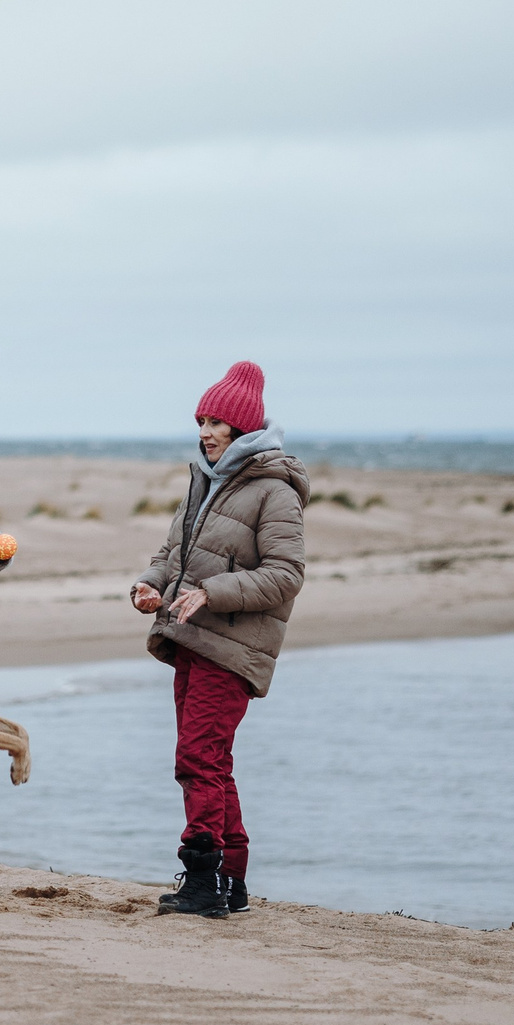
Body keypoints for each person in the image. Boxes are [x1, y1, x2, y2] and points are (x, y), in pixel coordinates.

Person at [130, 360, 309, 918]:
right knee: (212, 761)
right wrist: (149, 584)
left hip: (233, 649)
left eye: (216, 423)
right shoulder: (205, 482)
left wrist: (212, 592)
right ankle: (231, 882)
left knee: (197, 758)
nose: (205, 432)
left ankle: (203, 882)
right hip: (191, 639)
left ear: (243, 428)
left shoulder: (275, 492)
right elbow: (172, 554)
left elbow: (286, 575)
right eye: (201, 421)